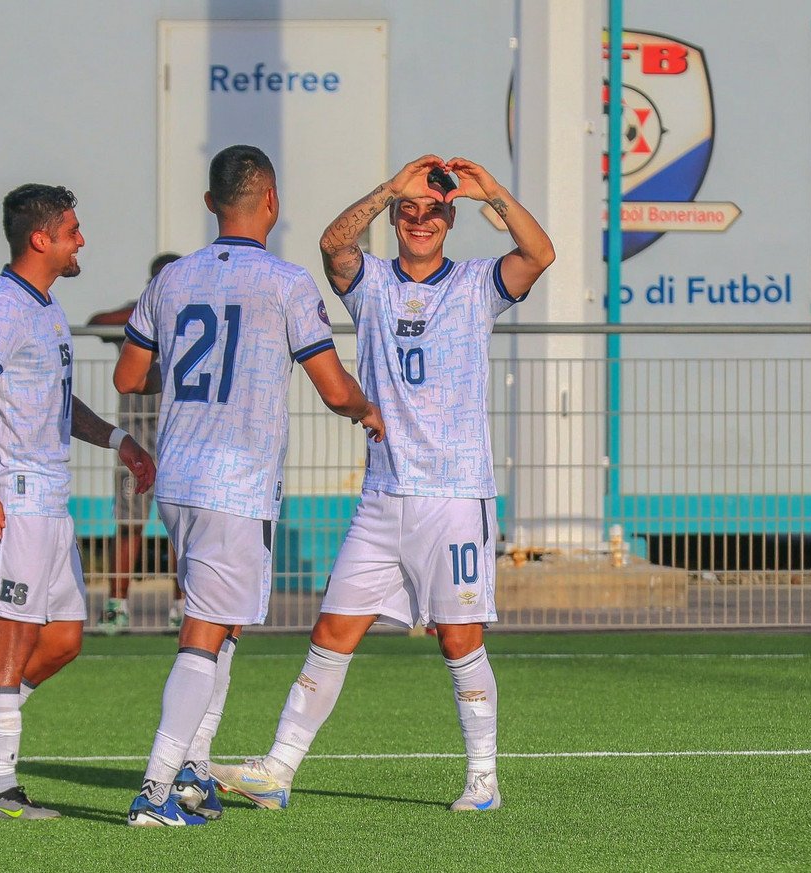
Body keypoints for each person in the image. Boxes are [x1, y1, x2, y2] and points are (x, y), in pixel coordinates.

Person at [209, 155, 555, 812]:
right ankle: (279, 768)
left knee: (460, 638)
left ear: (450, 220)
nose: (420, 220)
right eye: (410, 211)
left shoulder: (479, 282)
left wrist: (493, 193)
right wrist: (389, 187)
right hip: (383, 496)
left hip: (454, 496)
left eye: (432, 211)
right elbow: (333, 245)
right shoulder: (369, 283)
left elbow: (539, 253)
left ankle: (483, 779)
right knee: (332, 629)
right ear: (397, 218)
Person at [114, 145, 384, 827]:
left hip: (177, 470)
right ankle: (154, 787)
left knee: (222, 624)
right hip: (234, 480)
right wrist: (366, 408)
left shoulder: (171, 279)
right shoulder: (287, 282)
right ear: (272, 201)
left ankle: (195, 770)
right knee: (204, 630)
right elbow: (330, 386)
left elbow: (127, 377)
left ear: (211, 204)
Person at [0, 183, 156, 819]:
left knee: (64, 641)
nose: (81, 241)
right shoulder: (4, 306)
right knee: (11, 643)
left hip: (51, 499)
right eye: (73, 229)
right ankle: (0, 790)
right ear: (41, 239)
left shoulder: (43, 305)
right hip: (13, 498)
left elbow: (56, 401)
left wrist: (119, 439)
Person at [88, 253, 185, 633]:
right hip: (137, 438)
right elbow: (96, 322)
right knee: (128, 522)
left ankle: (182, 606)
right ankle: (116, 606)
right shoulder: (140, 316)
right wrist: (143, 313)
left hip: (179, 434)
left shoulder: (193, 314)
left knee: (182, 523)